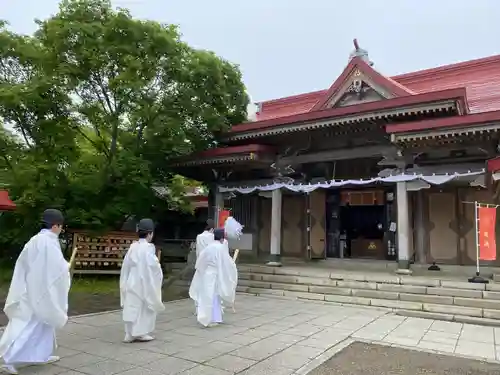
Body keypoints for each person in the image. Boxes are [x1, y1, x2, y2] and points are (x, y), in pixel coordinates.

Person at [0, 209, 71, 375]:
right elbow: (54, 268)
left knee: (43, 325)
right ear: (55, 226)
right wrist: (66, 268)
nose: (61, 229)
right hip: (38, 292)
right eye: (61, 226)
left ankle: (40, 355)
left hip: (32, 288)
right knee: (28, 326)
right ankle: (9, 359)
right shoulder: (48, 241)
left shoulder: (35, 240)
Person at [120, 218, 164, 343]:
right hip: (144, 281)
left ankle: (129, 333)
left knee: (132, 306)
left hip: (132, 281)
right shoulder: (148, 249)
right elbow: (153, 267)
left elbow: (126, 266)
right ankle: (140, 332)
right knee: (144, 307)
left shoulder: (133, 247)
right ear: (150, 233)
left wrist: (124, 282)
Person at [189, 229, 238, 327]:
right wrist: (232, 267)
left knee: (208, 296)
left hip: (207, 274)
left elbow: (200, 262)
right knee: (215, 296)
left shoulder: (208, 247)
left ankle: (211, 317)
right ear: (221, 238)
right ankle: (211, 318)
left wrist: (202, 271)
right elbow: (226, 262)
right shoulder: (221, 248)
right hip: (216, 274)